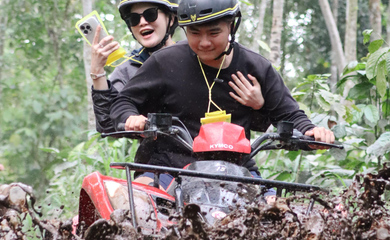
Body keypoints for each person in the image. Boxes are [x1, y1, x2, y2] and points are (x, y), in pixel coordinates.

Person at [109, 0, 335, 190]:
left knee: (277, 216)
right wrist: (131, 117)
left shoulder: (256, 67)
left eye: (214, 32)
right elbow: (123, 101)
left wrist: (312, 133)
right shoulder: (164, 62)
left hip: (238, 171)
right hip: (170, 169)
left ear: (231, 27)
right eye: (195, 33)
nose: (204, 42)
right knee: (137, 205)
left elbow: (290, 115)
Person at [91, 0, 179, 133]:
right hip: (156, 150)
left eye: (150, 14)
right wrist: (97, 71)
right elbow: (109, 126)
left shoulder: (193, 55)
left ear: (171, 19)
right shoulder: (127, 70)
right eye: (134, 18)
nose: (142, 22)